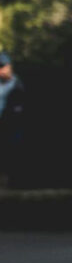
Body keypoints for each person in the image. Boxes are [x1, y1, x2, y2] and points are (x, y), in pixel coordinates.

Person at [0, 50, 25, 188]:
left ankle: (10, 187)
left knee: (10, 158)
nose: (1, 70)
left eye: (3, 66)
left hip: (11, 128)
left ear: (9, 66)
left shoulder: (18, 86)